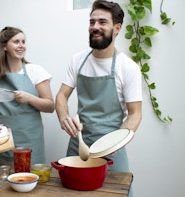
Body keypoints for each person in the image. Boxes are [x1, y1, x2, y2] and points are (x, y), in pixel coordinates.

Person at [56, 0, 142, 182]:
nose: (95, 27)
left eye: (102, 22)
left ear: (117, 28)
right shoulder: (77, 60)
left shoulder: (128, 67)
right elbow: (62, 96)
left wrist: (114, 143)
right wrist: (64, 117)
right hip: (78, 146)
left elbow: (135, 114)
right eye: (92, 22)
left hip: (112, 150)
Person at [0, 26, 54, 164]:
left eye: (23, 42)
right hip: (2, 140)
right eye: (16, 42)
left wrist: (29, 97)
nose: (21, 46)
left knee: (29, 177)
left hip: (29, 140)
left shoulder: (35, 71)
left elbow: (50, 106)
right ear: (4, 47)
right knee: (2, 177)